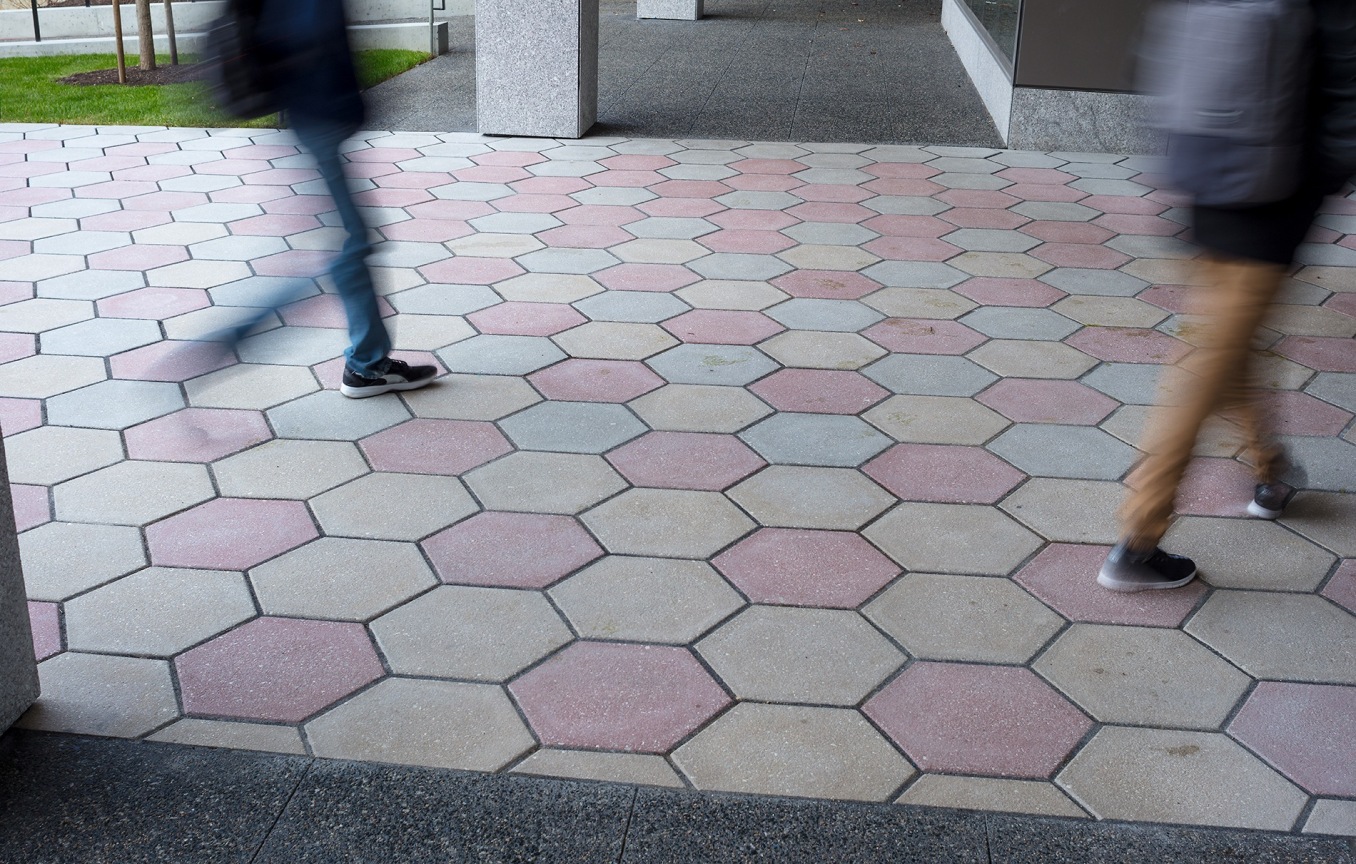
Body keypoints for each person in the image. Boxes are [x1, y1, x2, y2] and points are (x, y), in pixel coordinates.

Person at [1098, 0, 1356, 592]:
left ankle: (1271, 472)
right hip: (1275, 186)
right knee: (1208, 359)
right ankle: (1138, 540)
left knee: (1230, 336)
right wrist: (1324, 177)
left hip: (1204, 161)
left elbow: (1150, 57)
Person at [227, 0, 438, 399]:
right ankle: (229, 341)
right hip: (319, 115)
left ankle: (367, 361)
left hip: (313, 116)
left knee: (350, 245)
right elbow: (309, 34)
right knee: (350, 248)